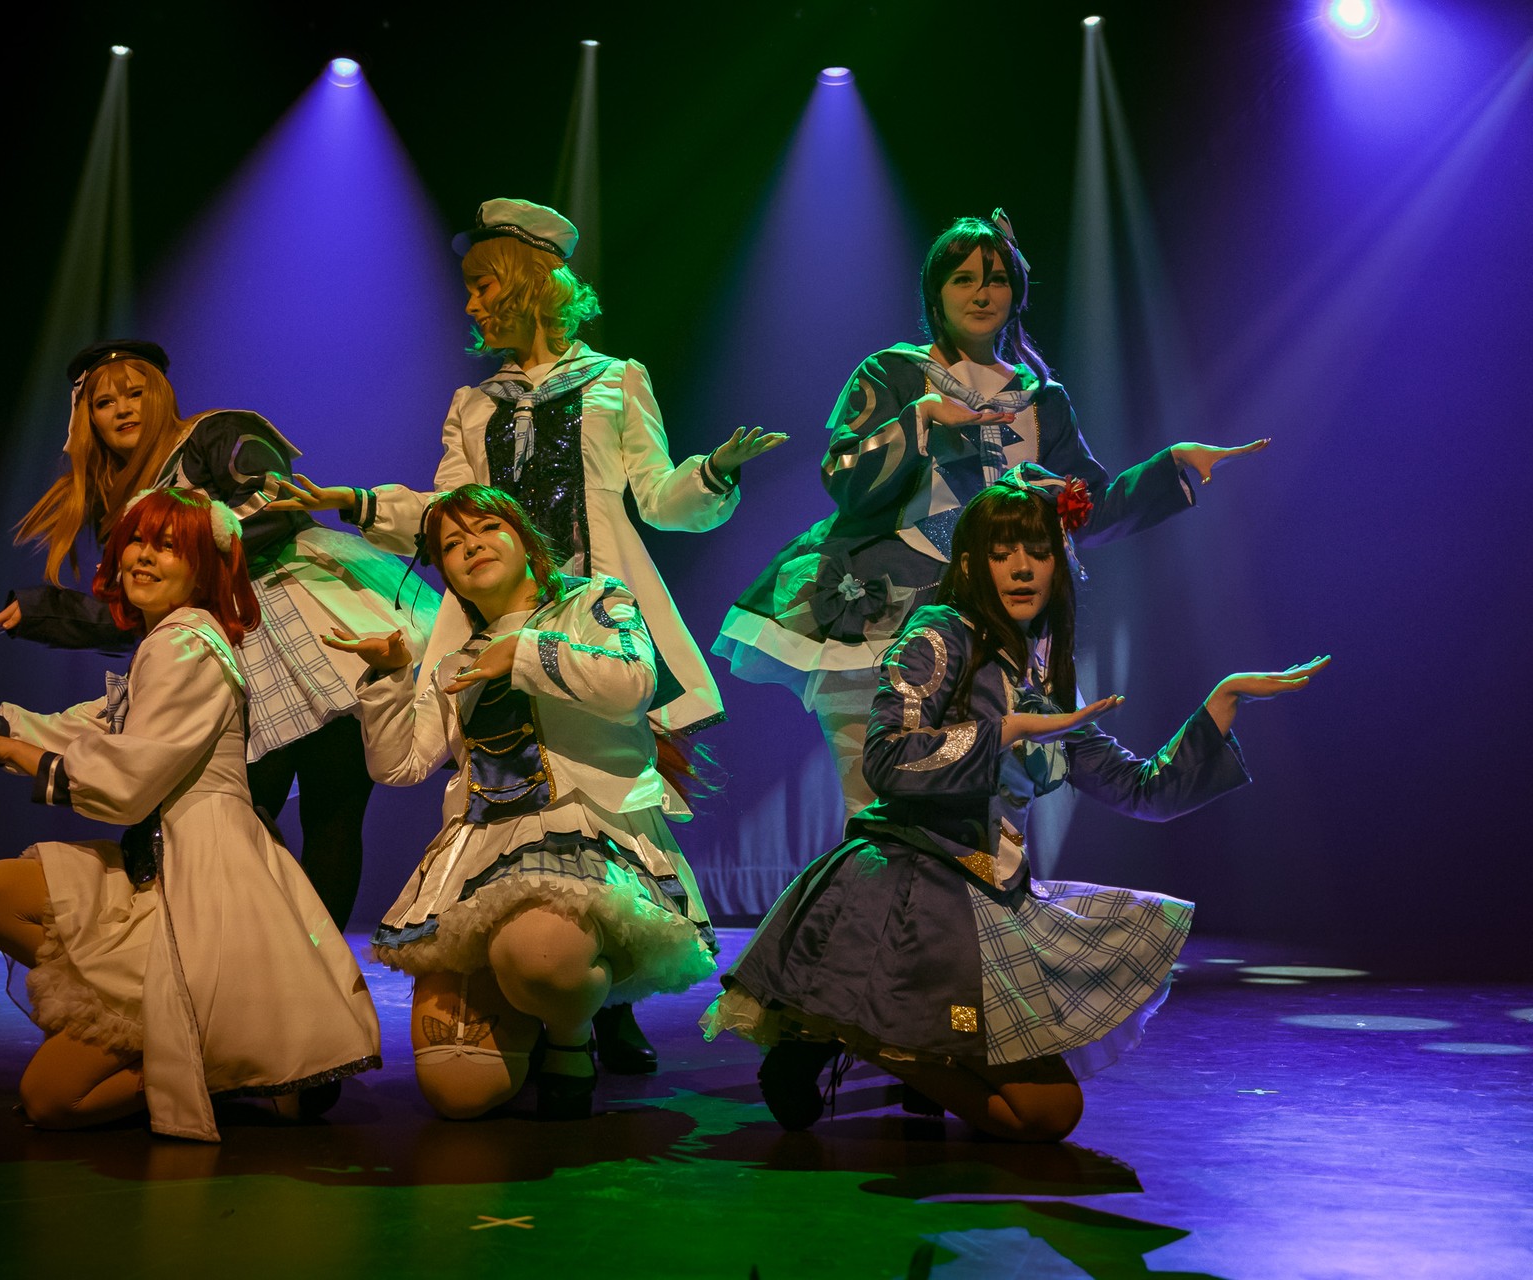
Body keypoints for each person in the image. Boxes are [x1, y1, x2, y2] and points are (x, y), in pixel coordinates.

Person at [271, 199, 783, 1071]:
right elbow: (449, 514)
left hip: (590, 617)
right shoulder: (474, 405)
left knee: (608, 786)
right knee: (509, 779)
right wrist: (355, 503)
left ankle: (607, 990)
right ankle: (523, 974)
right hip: (493, 619)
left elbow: (660, 499)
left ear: (529, 282)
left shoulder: (617, 380)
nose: (471, 303)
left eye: (483, 284)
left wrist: (714, 472)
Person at [702, 466, 1327, 1140]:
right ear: (973, 565)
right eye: (1003, 555)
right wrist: (1002, 732)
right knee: (1039, 1116)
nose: (1023, 568)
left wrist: (1223, 702)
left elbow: (1140, 790)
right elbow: (885, 759)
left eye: (1038, 552)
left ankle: (871, 1035)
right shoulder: (938, 635)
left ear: (1060, 564)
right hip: (913, 888)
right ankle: (840, 1028)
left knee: (1050, 1114)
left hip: (993, 898)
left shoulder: (1042, 671)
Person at [0, 488, 383, 1141]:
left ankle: (210, 1056)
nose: (144, 557)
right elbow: (73, 730)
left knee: (51, 1099)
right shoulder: (166, 644)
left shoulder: (186, 645)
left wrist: (13, 749)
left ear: (202, 571)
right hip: (161, 866)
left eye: (168, 547)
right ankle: (160, 1026)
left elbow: (126, 781)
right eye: (137, 542)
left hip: (201, 886)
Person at [714, 211, 1269, 815]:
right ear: (936, 292)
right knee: (877, 805)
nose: (982, 294)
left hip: (995, 623)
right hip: (882, 616)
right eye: (964, 279)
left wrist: (1173, 468)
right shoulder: (893, 373)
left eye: (997, 279)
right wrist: (922, 417)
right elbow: (844, 478)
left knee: (986, 808)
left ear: (1017, 292)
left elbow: (1084, 508)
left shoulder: (1042, 399)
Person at [0, 339, 437, 930]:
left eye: (134, 393)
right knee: (235, 811)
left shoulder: (217, 433)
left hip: (315, 626)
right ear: (87, 418)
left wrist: (196, 542)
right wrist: (42, 611)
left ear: (160, 394)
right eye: (104, 402)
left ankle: (319, 973)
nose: (122, 409)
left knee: (334, 814)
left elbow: (276, 504)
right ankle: (243, 952)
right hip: (230, 649)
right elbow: (136, 612)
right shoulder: (124, 503)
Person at [326, 484, 716, 1120]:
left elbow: (634, 683)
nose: (471, 545)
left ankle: (569, 1034)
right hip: (478, 858)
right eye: (452, 544)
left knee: (542, 957)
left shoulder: (595, 601)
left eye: (487, 528)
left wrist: (525, 651)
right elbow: (399, 765)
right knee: (458, 1093)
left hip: (580, 834)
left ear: (526, 542)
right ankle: (527, 1016)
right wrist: (391, 676)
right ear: (447, 575)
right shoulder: (455, 659)